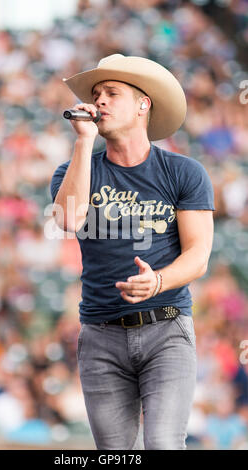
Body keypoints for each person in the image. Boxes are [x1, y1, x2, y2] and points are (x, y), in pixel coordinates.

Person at [50, 54, 215, 450]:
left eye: (112, 93)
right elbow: (69, 220)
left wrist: (158, 281)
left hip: (167, 329)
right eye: (96, 95)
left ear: (144, 105)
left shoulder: (184, 172)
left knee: (162, 444)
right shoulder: (73, 170)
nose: (100, 101)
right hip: (101, 335)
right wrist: (83, 140)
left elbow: (199, 256)